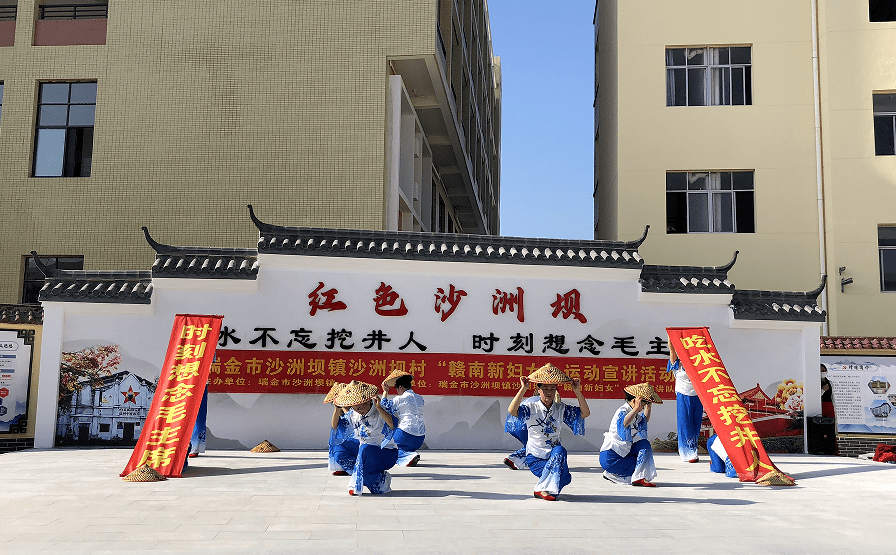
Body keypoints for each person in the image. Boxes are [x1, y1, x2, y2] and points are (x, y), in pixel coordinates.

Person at [505, 363, 590, 501]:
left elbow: (585, 413)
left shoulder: (560, 408)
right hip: (536, 457)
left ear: (556, 390)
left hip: (553, 457)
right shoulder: (531, 407)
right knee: (560, 451)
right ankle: (541, 489)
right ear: (539, 390)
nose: (549, 392)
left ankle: (546, 488)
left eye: (552, 389)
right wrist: (523, 389)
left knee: (565, 477)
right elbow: (512, 411)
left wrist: (577, 391)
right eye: (545, 389)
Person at [332, 380, 398, 496]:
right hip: (365, 453)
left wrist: (379, 408)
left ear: (368, 401)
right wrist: (337, 410)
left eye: (361, 407)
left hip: (386, 452)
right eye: (356, 408)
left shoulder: (380, 409)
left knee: (365, 449)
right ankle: (377, 478)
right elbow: (335, 427)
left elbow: (392, 426)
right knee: (339, 450)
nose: (359, 410)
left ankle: (355, 483)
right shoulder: (354, 414)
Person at [599, 383, 662, 487]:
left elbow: (643, 421)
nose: (642, 408)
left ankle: (629, 476)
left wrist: (648, 408)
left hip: (622, 453)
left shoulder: (634, 413)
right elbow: (624, 423)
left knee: (644, 445)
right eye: (642, 404)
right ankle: (615, 474)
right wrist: (636, 408)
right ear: (634, 401)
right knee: (640, 465)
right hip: (611, 457)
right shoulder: (623, 411)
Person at [667, 340, 703, 463]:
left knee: (696, 424)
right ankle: (686, 453)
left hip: (697, 396)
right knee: (685, 424)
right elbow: (671, 349)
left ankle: (693, 450)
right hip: (683, 396)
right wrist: (670, 335)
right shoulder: (677, 364)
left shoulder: (697, 364)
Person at [380, 370, 425, 467]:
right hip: (420, 438)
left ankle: (409, 456)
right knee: (400, 448)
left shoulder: (400, 399)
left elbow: (383, 407)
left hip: (405, 434)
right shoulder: (420, 398)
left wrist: (385, 392)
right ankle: (409, 454)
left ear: (400, 387)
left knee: (386, 448)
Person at [325, 382, 358, 476]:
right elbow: (334, 426)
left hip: (356, 439)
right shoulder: (339, 409)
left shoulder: (357, 408)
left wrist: (343, 405)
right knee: (336, 441)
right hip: (343, 439)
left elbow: (351, 418)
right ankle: (342, 468)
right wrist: (338, 408)